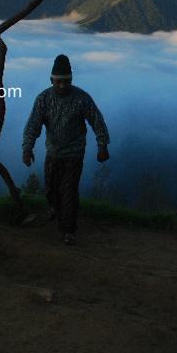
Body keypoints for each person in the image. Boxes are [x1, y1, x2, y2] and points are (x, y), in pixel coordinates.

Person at [22, 54, 110, 245]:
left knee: (69, 190)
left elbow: (97, 120)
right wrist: (27, 148)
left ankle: (68, 230)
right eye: (59, 82)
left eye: (66, 82)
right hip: (53, 152)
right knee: (51, 190)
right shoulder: (44, 99)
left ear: (71, 80)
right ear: (51, 80)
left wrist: (102, 145)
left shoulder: (81, 98)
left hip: (74, 153)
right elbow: (33, 125)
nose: (62, 86)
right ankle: (55, 209)